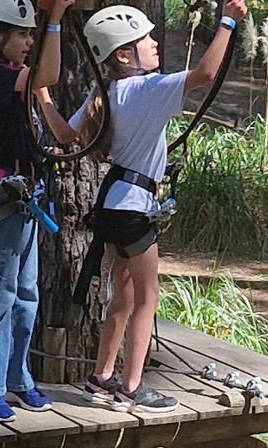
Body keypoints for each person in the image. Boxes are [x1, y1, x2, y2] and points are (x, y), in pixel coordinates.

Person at [56, 1, 247, 413]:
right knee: (147, 299)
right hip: (132, 207)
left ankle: (102, 378)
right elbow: (206, 75)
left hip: (110, 205)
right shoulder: (147, 88)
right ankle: (131, 387)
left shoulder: (103, 91)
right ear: (124, 55)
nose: (156, 43)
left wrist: (39, 92)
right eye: (146, 40)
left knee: (121, 297)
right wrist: (227, 21)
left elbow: (65, 133)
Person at [0, 0, 73, 422]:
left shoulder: (7, 75)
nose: (29, 41)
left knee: (26, 293)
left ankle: (16, 376)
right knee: (1, 292)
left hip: (24, 190)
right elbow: (48, 75)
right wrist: (54, 19)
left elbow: (42, 81)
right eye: (23, 34)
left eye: (30, 33)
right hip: (5, 190)